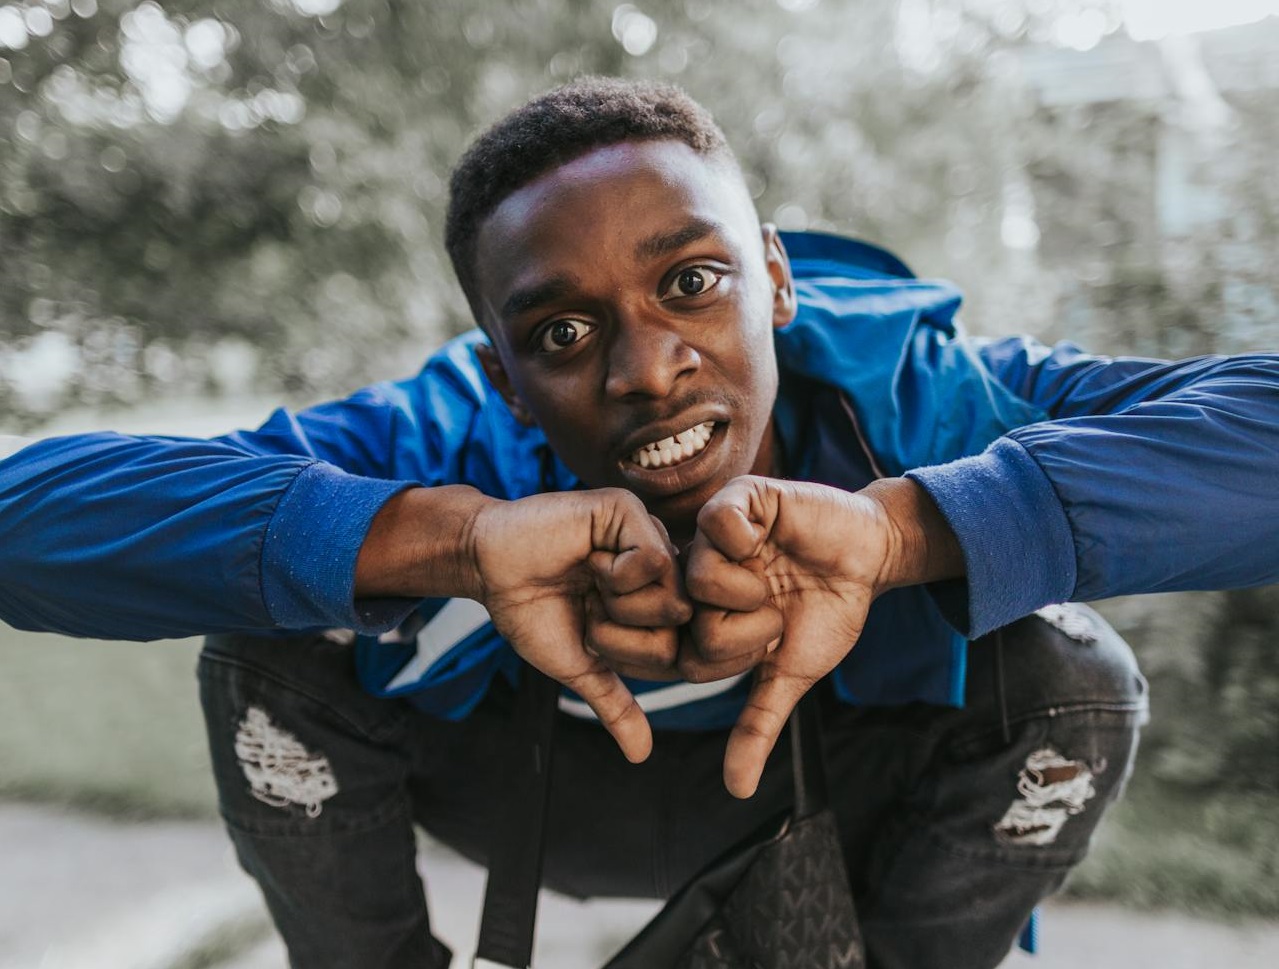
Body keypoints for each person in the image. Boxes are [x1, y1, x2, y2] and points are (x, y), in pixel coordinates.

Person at [1, 77, 1276, 968]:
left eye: (692, 283)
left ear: (775, 278)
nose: (646, 369)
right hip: (529, 792)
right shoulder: (449, 433)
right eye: (562, 333)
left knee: (1069, 675)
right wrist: (448, 542)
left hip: (819, 789)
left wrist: (907, 533)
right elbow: (22, 522)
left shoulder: (927, 398)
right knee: (275, 641)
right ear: (503, 373)